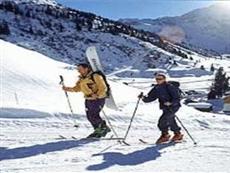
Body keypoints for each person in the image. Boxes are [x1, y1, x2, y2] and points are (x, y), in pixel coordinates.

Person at [62, 63, 111, 138]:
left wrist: (97, 95)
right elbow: (77, 88)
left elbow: (103, 88)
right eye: (78, 69)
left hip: (97, 99)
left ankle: (103, 128)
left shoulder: (95, 76)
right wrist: (68, 89)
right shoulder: (82, 78)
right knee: (89, 116)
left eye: (80, 69)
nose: (79, 71)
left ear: (86, 69)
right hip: (88, 99)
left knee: (93, 115)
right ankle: (98, 130)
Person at [138, 73, 183, 144]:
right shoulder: (156, 88)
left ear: (164, 79)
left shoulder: (170, 87)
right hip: (165, 107)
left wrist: (170, 103)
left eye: (160, 79)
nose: (158, 80)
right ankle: (177, 134)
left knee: (163, 120)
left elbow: (177, 98)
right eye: (157, 79)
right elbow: (150, 98)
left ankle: (165, 135)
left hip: (174, 106)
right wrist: (143, 98)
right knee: (170, 120)